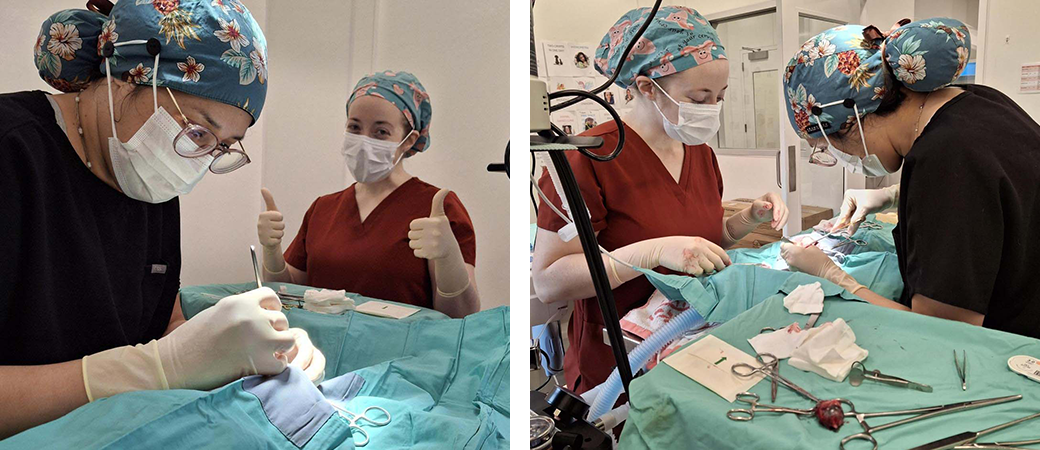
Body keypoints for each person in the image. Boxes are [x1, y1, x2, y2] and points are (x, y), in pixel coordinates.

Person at [0, 0, 321, 438]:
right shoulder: (12, 153)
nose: (199, 160)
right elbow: (155, 362)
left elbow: (163, 323)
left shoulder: (147, 178)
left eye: (222, 146)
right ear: (123, 79)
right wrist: (153, 369)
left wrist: (226, 353)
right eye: (198, 131)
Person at [532, 6, 789, 394]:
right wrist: (650, 254)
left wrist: (749, 218)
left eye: (719, 96)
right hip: (619, 364)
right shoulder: (586, 157)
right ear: (647, 87)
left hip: (692, 345)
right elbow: (549, 282)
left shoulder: (696, 149)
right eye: (699, 97)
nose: (711, 109)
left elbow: (704, 240)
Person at [780, 19, 1040, 338]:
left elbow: (943, 329)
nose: (840, 158)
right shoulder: (976, 99)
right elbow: (998, 191)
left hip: (1014, 346)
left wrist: (831, 274)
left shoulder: (947, 156)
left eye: (827, 145)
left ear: (855, 119)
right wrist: (895, 195)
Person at [257, 71, 480, 318]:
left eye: (381, 132)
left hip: (407, 355)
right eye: (354, 127)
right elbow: (289, 295)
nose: (363, 140)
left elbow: (462, 315)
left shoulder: (437, 208)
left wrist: (448, 257)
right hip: (321, 352)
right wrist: (271, 250)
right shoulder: (323, 208)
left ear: (408, 140)